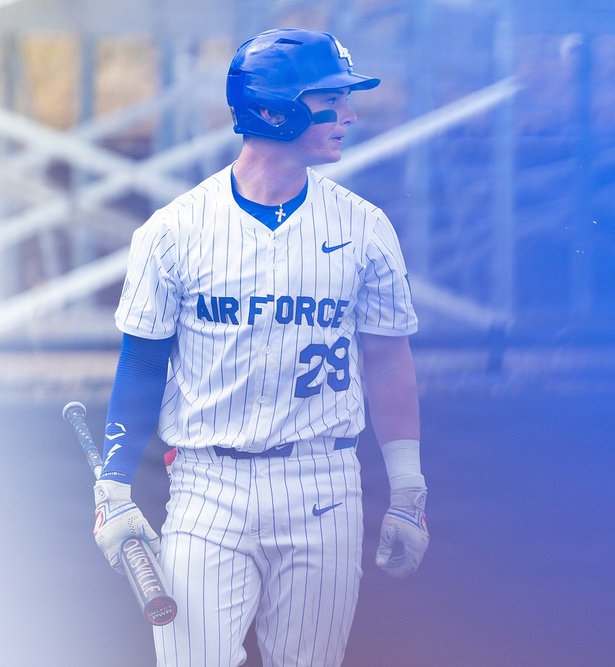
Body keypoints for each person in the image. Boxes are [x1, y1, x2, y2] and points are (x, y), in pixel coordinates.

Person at [90, 28, 429, 667]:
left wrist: (408, 491)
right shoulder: (173, 230)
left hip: (323, 481)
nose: (350, 115)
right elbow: (141, 364)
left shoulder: (364, 226)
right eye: (331, 99)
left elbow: (387, 359)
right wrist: (113, 488)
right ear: (274, 109)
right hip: (206, 483)